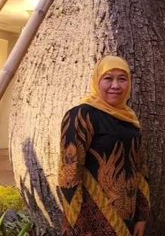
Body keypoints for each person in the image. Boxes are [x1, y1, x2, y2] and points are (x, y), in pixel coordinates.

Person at [59, 55, 150, 236]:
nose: (115, 86)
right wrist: (76, 224)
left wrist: (142, 215)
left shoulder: (130, 120)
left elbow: (139, 169)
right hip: (92, 216)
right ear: (97, 81)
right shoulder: (82, 115)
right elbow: (69, 173)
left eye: (122, 79)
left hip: (127, 216)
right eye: (108, 78)